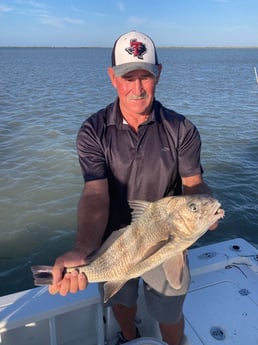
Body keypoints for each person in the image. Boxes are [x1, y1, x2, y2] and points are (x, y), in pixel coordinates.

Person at [49, 31, 219, 345]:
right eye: (129, 77)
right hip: (114, 243)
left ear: (159, 74)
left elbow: (193, 184)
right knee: (121, 301)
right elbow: (95, 194)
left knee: (170, 310)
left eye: (146, 76)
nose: (137, 89)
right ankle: (129, 336)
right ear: (112, 77)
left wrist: (202, 206)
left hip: (168, 235)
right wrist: (83, 249)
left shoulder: (181, 129)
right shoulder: (93, 130)